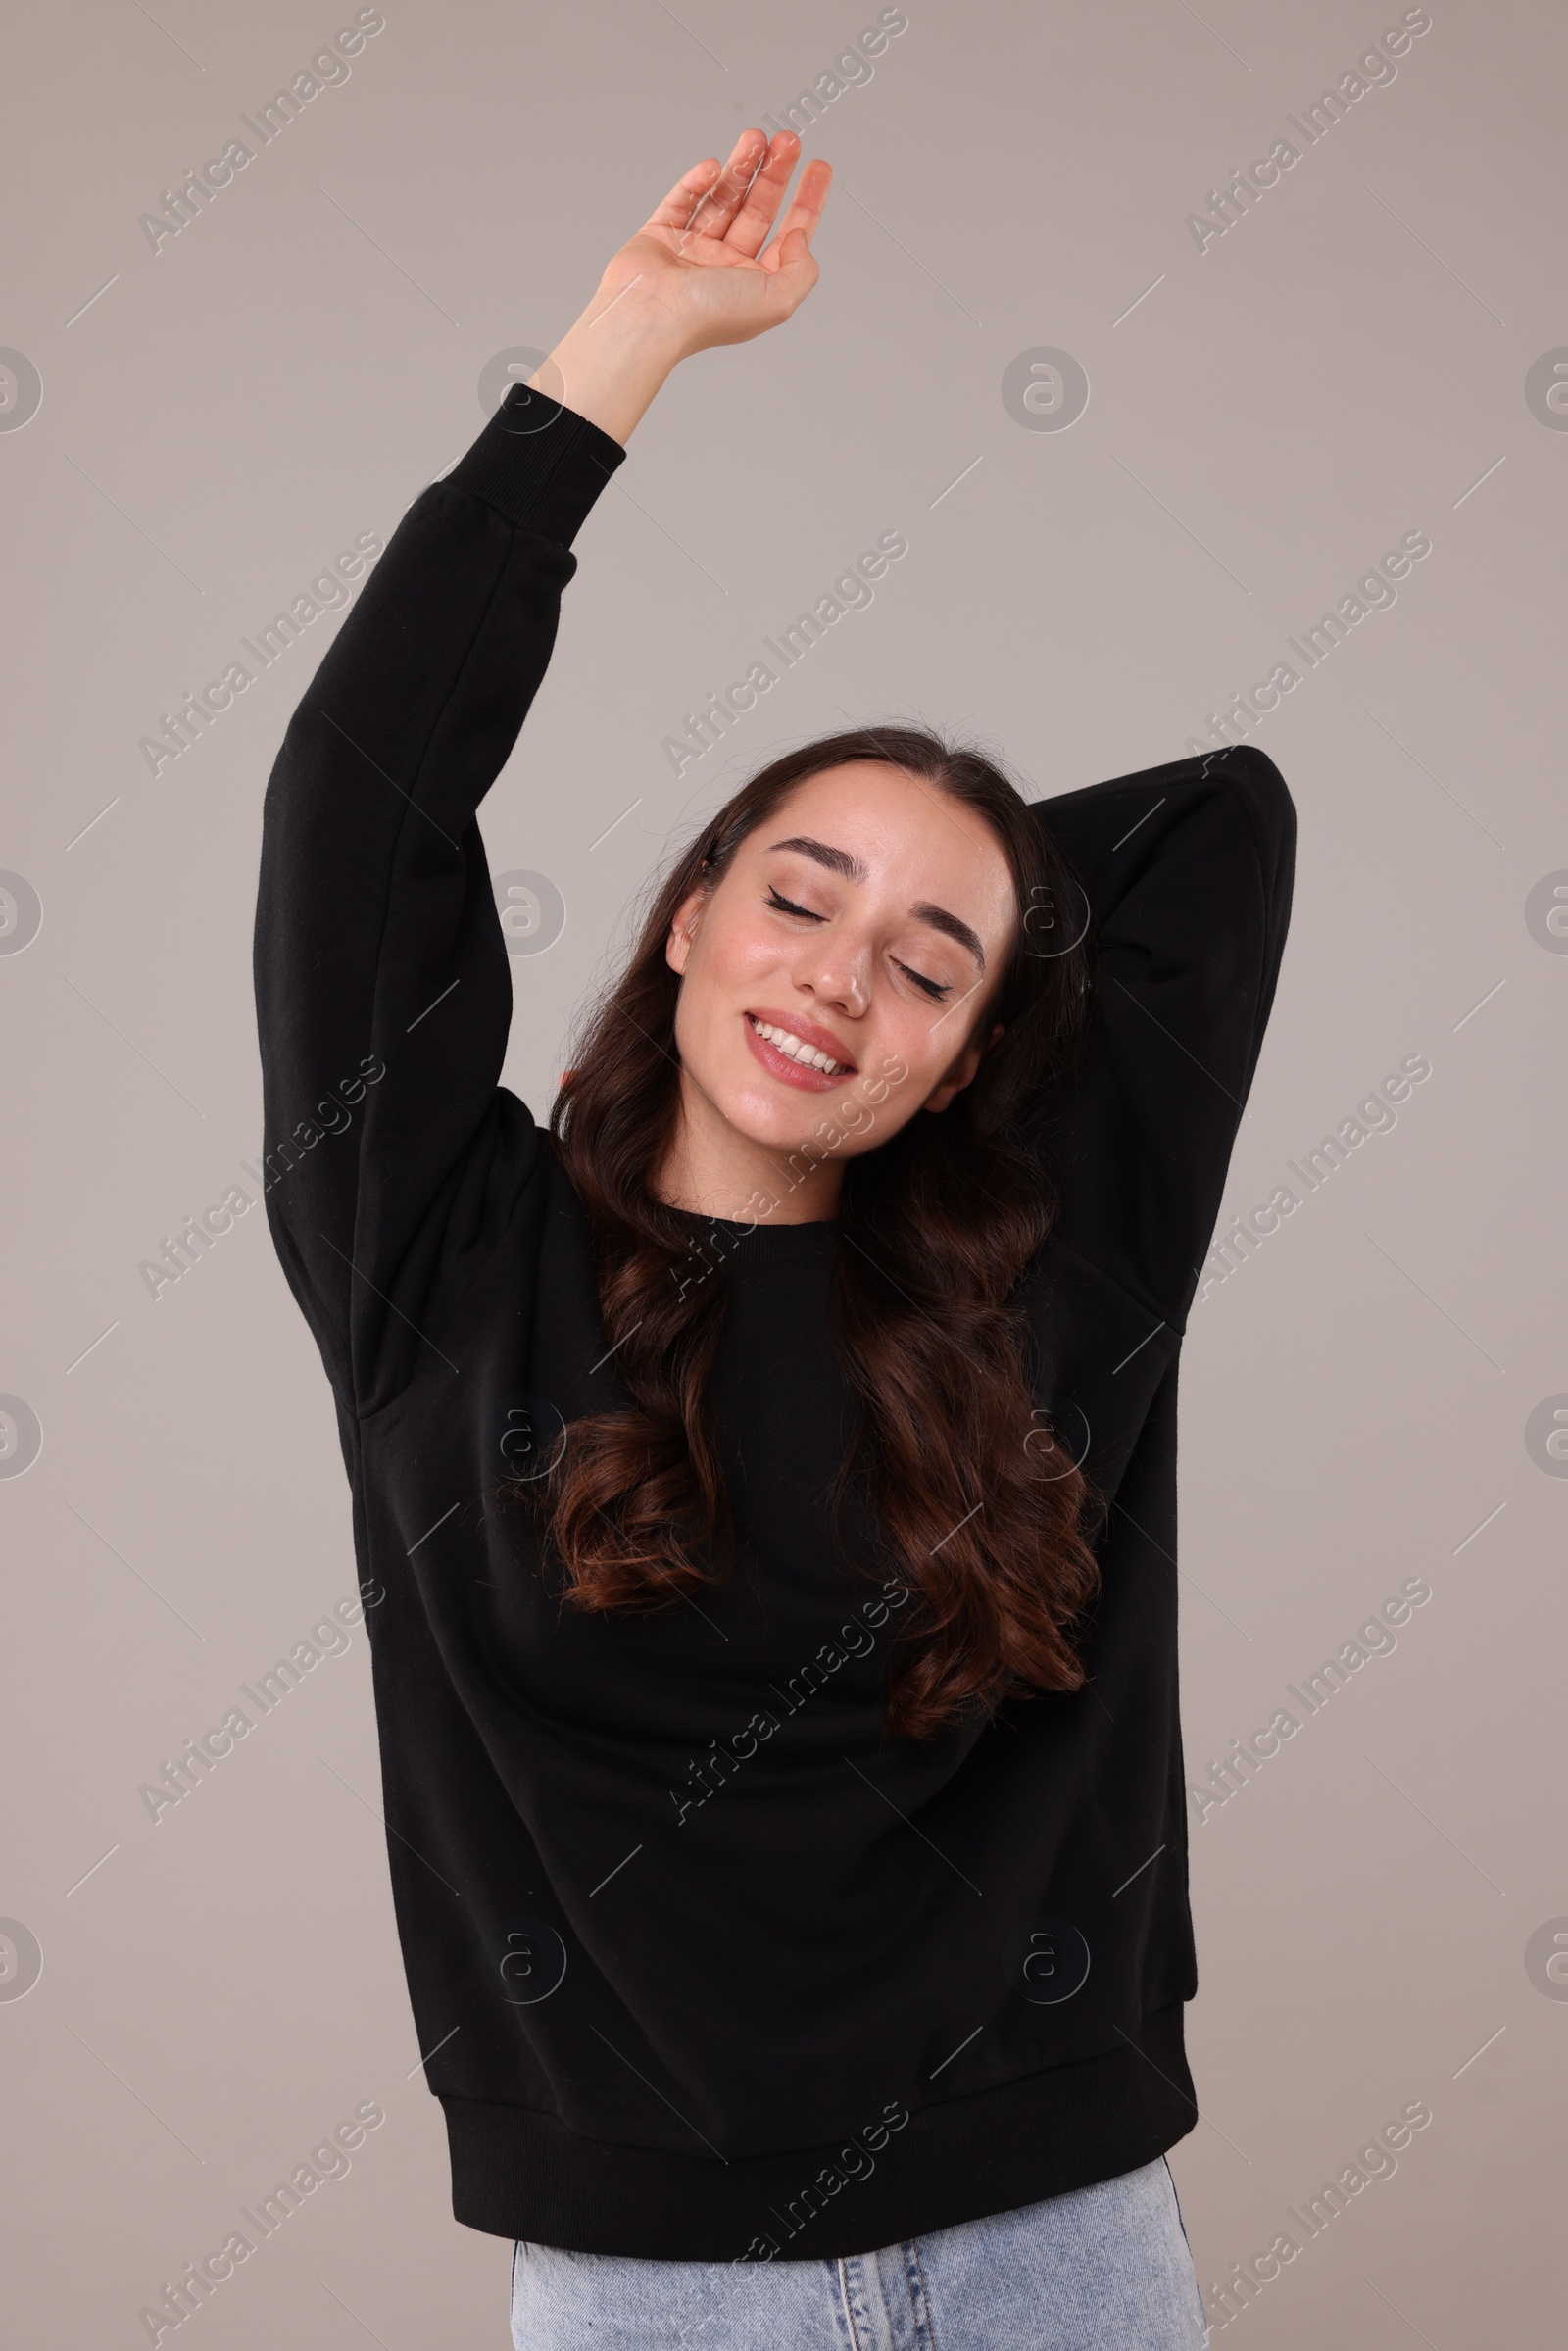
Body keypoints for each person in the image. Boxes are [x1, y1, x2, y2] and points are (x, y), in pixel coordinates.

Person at [253, 128, 1293, 2350]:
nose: (835, 976)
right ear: (687, 913)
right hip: (646, 2286)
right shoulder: (443, 1261)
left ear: (978, 1052)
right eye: (798, 894)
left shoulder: (1048, 1284)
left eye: (928, 968)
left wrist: (972, 953)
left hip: (1061, 2240)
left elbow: (1227, 826)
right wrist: (619, 351)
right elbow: (360, 803)